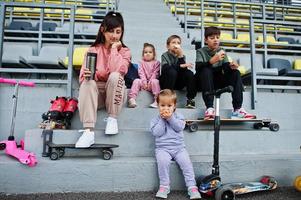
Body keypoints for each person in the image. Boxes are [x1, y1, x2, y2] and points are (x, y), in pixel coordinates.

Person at [75, 11, 131, 148]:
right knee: (87, 82)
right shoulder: (93, 50)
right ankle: (88, 132)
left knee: (115, 76)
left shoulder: (125, 51)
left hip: (116, 94)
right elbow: (83, 79)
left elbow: (118, 70)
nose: (114, 35)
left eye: (118, 32)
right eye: (111, 31)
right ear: (102, 30)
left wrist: (113, 50)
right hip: (97, 96)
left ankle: (112, 119)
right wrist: (88, 75)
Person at [150, 89, 202, 199]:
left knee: (186, 164)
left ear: (174, 106)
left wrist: (170, 118)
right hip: (162, 149)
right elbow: (157, 133)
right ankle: (164, 186)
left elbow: (179, 127)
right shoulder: (155, 120)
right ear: (158, 106)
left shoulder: (179, 116)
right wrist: (163, 120)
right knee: (163, 162)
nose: (166, 108)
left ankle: (192, 187)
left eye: (169, 105)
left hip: (179, 148)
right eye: (162, 105)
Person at [195, 26, 256, 119]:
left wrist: (231, 67)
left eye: (217, 37)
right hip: (204, 82)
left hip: (218, 81)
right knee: (206, 70)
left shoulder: (221, 50)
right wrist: (211, 61)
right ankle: (210, 108)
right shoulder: (200, 51)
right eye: (212, 38)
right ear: (206, 40)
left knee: (235, 73)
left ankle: (237, 109)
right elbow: (198, 68)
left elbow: (226, 69)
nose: (215, 40)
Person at [159, 35, 197, 108]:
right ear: (168, 46)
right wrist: (180, 66)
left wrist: (180, 57)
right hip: (167, 82)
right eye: (173, 42)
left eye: (178, 43)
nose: (176, 45)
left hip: (178, 82)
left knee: (189, 73)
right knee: (172, 71)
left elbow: (183, 72)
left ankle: (190, 99)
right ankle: (168, 98)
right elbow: (165, 69)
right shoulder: (165, 55)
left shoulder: (182, 55)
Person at [128, 43, 160, 108]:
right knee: (136, 80)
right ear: (143, 54)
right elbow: (141, 73)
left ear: (154, 54)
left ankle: (157, 100)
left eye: (150, 52)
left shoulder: (157, 63)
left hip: (151, 84)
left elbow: (155, 73)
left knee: (155, 81)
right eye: (145, 52)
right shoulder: (141, 62)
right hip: (143, 83)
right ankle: (132, 99)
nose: (148, 53)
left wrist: (149, 83)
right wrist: (144, 83)